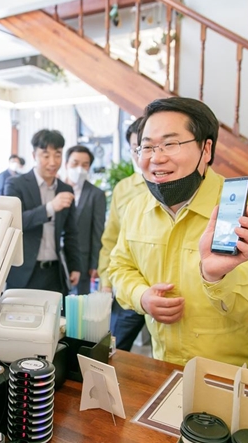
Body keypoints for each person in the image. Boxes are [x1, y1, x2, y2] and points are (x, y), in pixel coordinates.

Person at [108, 97, 248, 372]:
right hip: (164, 370)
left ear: (206, 149)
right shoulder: (136, 208)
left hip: (239, 377)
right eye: (148, 146)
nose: (157, 157)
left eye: (171, 144)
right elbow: (119, 267)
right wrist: (142, 296)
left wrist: (218, 277)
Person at [4, 129, 81, 294]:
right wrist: (50, 208)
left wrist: (75, 266)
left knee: (57, 319)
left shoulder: (65, 189)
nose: (52, 162)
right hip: (24, 274)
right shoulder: (16, 185)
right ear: (34, 155)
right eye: (46, 156)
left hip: (55, 273)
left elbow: (71, 233)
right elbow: (14, 222)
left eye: (58, 155)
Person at [97, 117, 148, 350]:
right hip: (131, 287)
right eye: (134, 149)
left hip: (169, 291)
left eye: (145, 147)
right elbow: (111, 239)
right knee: (115, 348)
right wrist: (106, 281)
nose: (140, 155)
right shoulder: (124, 189)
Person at [63, 145, 106, 295]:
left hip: (83, 261)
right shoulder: (55, 189)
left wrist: (95, 264)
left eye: (85, 164)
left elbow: (98, 230)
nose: (79, 168)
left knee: (79, 308)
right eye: (75, 163)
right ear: (66, 164)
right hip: (56, 260)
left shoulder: (96, 194)